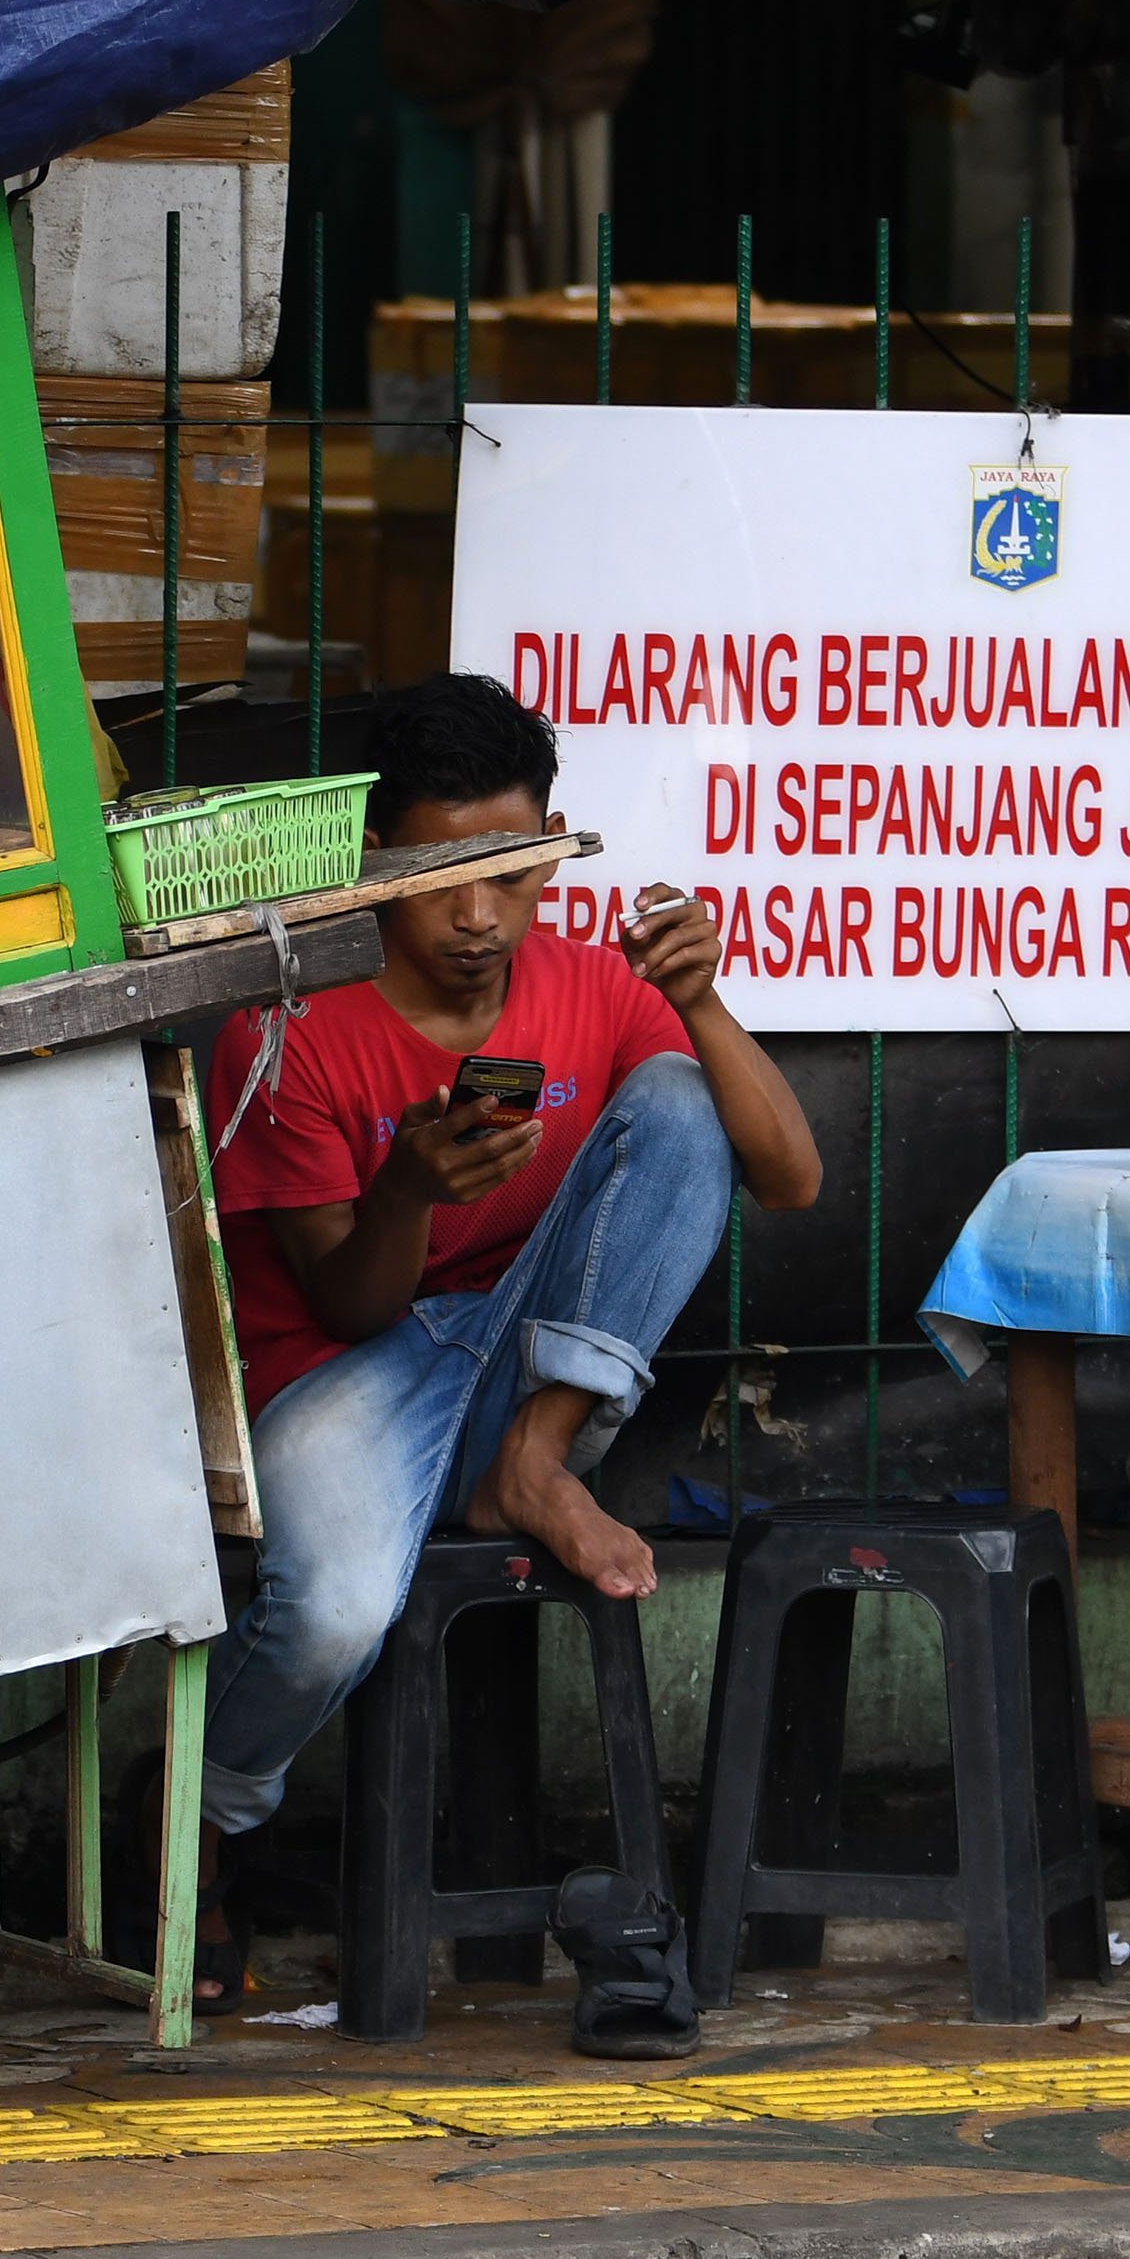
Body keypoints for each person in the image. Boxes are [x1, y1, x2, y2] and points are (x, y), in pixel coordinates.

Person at [193, 672, 819, 2021]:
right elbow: (349, 1306)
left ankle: (533, 1466)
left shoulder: (594, 992)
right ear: (377, 866)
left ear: (551, 845)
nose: (480, 916)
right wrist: (412, 1192)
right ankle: (202, 1823)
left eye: (512, 868)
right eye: (440, 875)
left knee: (678, 1101)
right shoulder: (291, 1029)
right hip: (346, 1376)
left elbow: (792, 1177)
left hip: (526, 1379)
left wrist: (705, 1006)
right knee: (332, 1618)